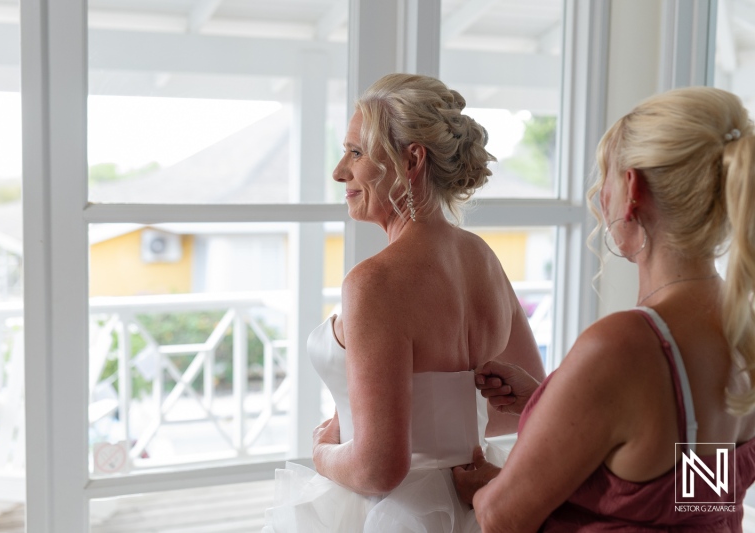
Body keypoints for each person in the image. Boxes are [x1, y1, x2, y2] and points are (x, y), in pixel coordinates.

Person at [452, 86, 755, 532]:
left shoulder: (625, 346)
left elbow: (501, 518)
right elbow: (685, 500)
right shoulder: (739, 330)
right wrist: (547, 404)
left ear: (631, 188)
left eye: (605, 179)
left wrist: (485, 487)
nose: (600, 199)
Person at [262, 73, 546, 532]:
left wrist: (322, 454)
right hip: (473, 504)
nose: (339, 170)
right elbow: (523, 405)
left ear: (411, 159)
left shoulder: (375, 283)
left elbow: (378, 469)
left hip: (391, 514)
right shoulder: (484, 260)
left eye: (356, 152)